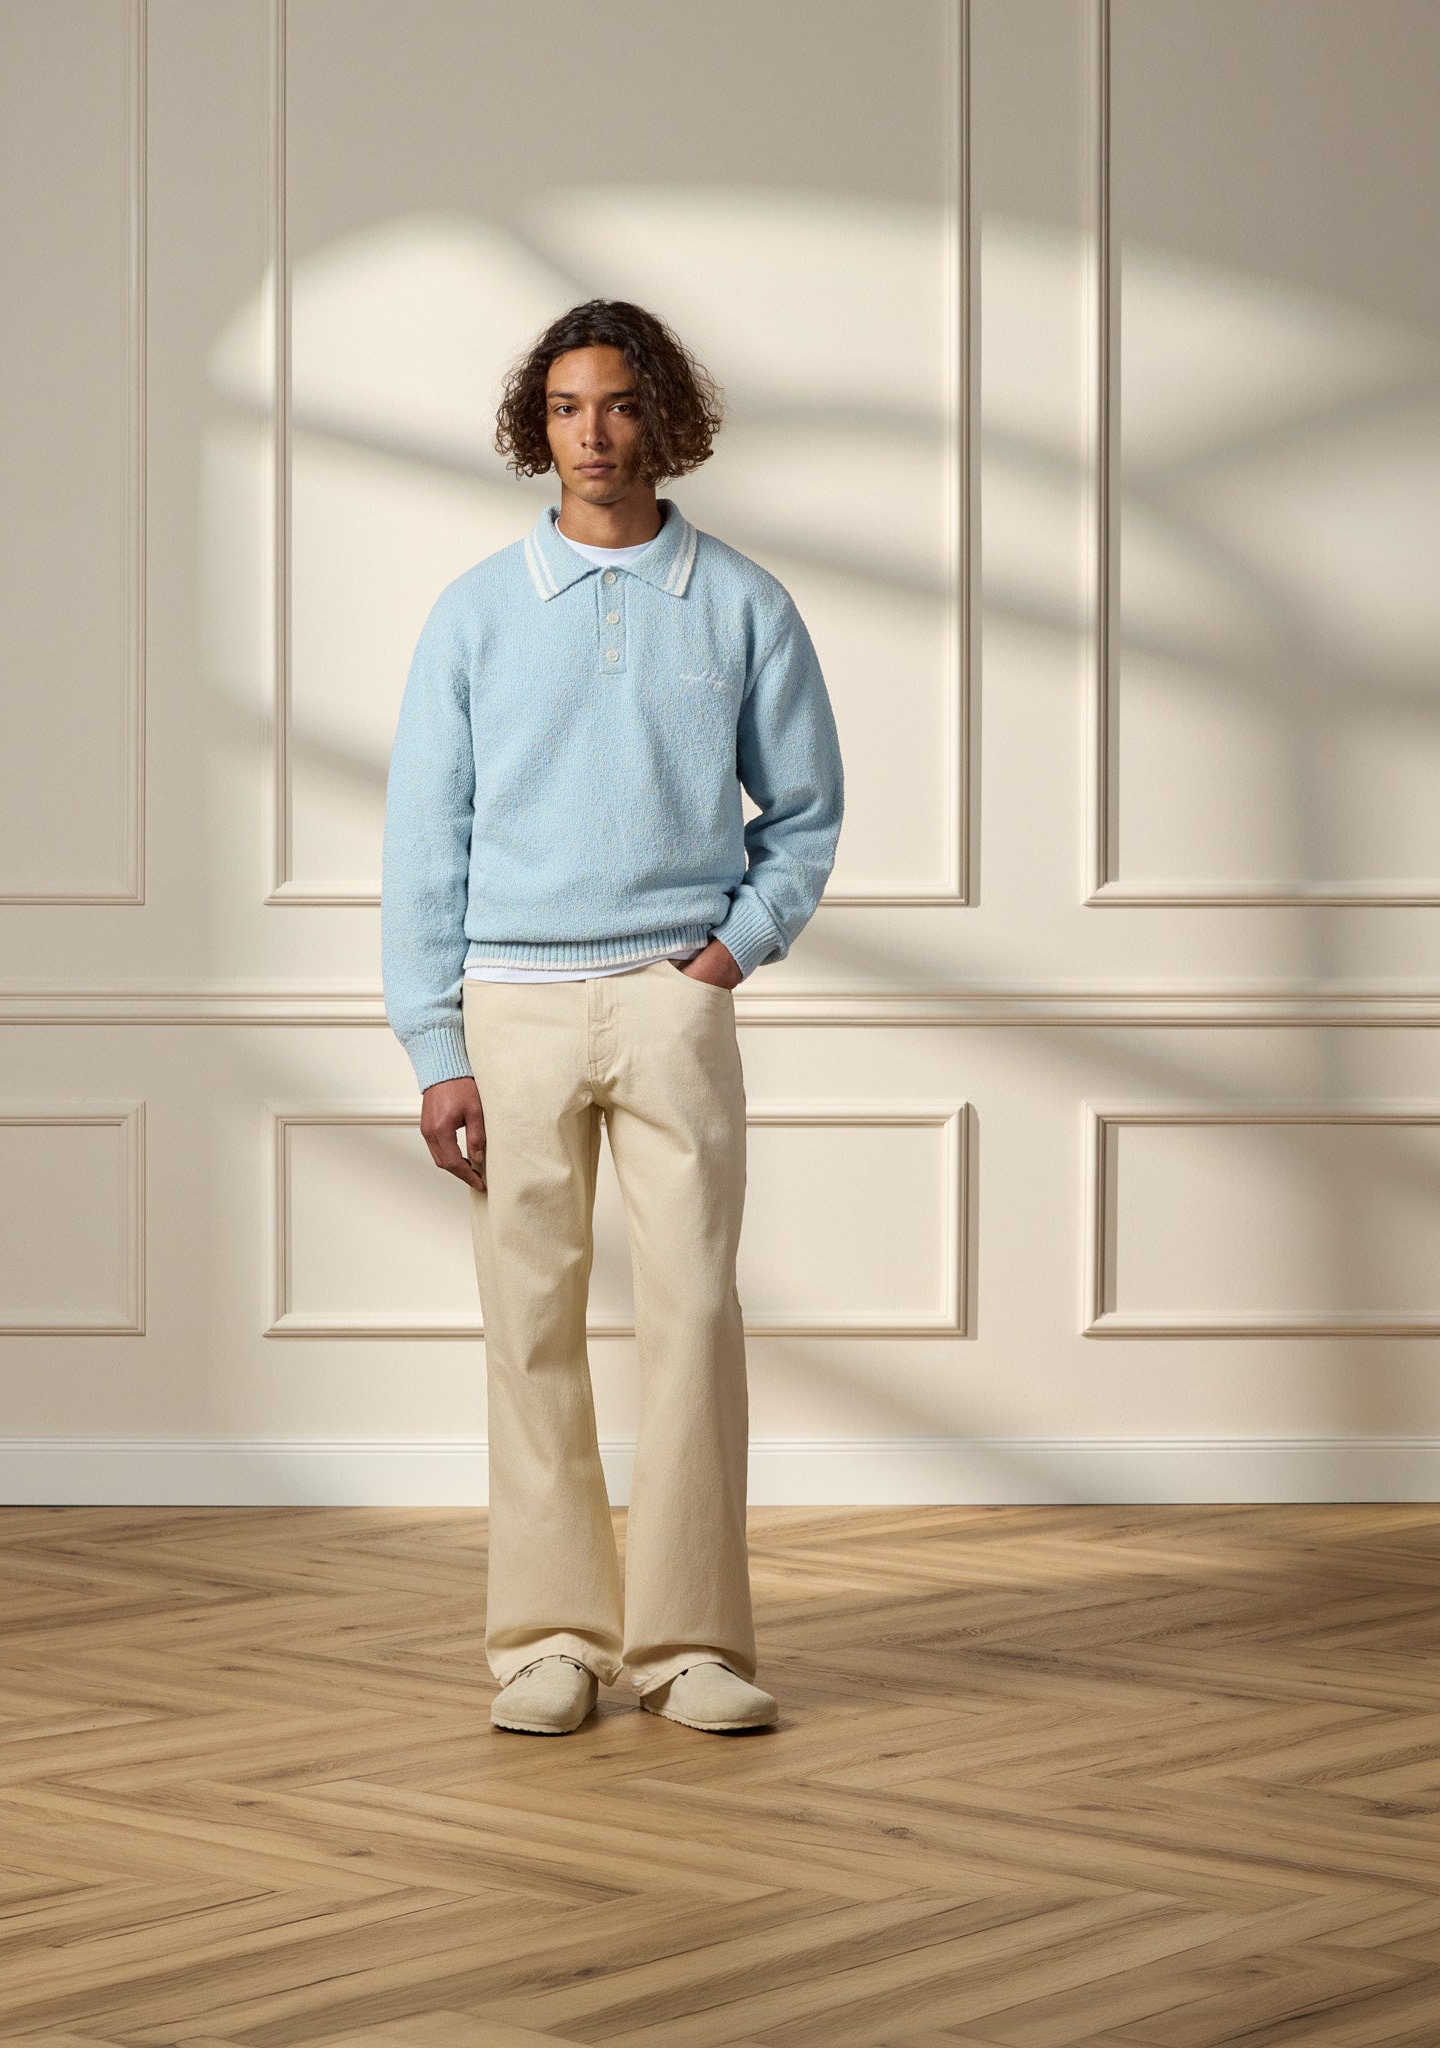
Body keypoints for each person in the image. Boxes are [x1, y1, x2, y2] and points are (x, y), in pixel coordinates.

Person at [380, 298, 844, 1735]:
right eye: (568, 407)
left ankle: (691, 1642)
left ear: (665, 420)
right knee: (529, 1324)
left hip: (669, 1005)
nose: (595, 434)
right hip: (509, 1007)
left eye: (623, 404)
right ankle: (551, 1641)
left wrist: (731, 954)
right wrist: (435, 1045)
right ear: (540, 426)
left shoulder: (744, 604)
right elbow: (423, 843)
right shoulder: (476, 613)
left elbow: (806, 810)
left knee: (694, 1315)